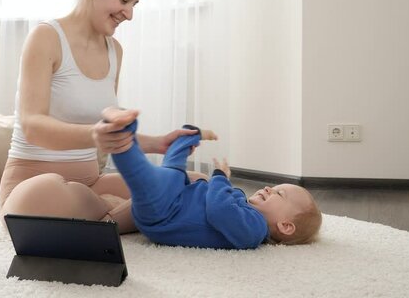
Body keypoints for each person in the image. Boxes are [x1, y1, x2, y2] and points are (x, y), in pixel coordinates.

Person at [0, 0, 199, 233]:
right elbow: (33, 125)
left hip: (91, 183)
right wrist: (94, 135)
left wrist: (158, 142)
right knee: (42, 196)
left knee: (193, 182)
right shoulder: (45, 37)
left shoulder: (115, 50)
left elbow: (111, 134)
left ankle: (100, 216)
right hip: (32, 187)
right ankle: (117, 214)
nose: (129, 14)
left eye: (134, 5)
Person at [99, 106, 323, 249]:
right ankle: (188, 136)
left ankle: (121, 135)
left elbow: (219, 210)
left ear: (285, 226)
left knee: (143, 175)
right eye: (274, 187)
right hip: (176, 197)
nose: (268, 188)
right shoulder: (246, 212)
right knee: (173, 167)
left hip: (164, 213)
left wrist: (220, 176)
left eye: (278, 193)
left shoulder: (253, 231)